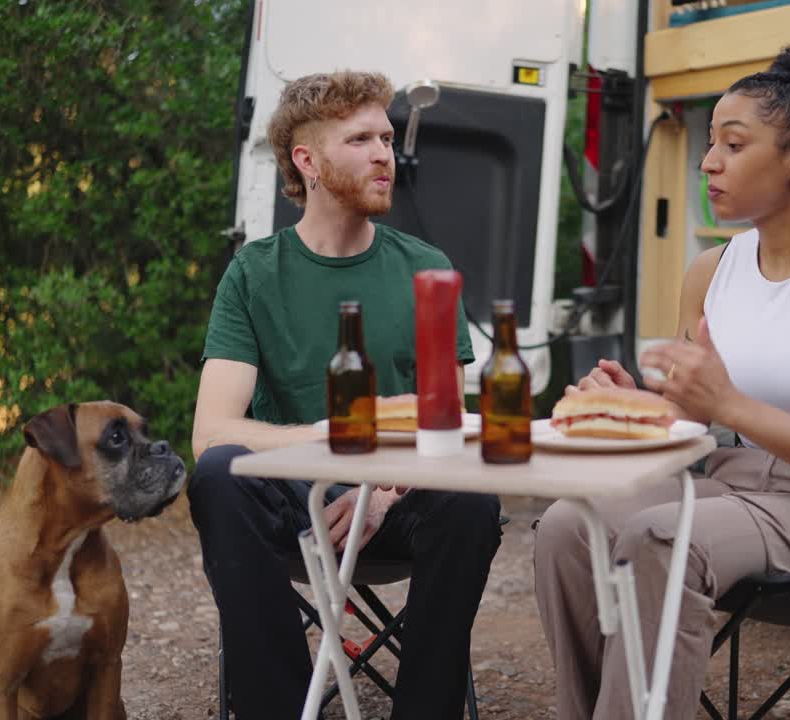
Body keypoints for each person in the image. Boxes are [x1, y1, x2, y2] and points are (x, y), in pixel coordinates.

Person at [533, 46, 790, 719]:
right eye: (710, 143)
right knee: (565, 527)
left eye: (733, 143)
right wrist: (634, 405)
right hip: (732, 482)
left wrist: (730, 406)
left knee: (661, 538)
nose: (708, 161)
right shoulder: (711, 270)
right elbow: (693, 416)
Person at [187, 70, 502, 720]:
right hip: (296, 506)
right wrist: (340, 444)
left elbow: (449, 429)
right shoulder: (254, 273)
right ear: (308, 160)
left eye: (387, 137)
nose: (385, 153)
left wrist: (383, 487)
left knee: (471, 498)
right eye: (361, 138)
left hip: (401, 502)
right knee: (219, 474)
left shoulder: (425, 267)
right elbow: (213, 432)